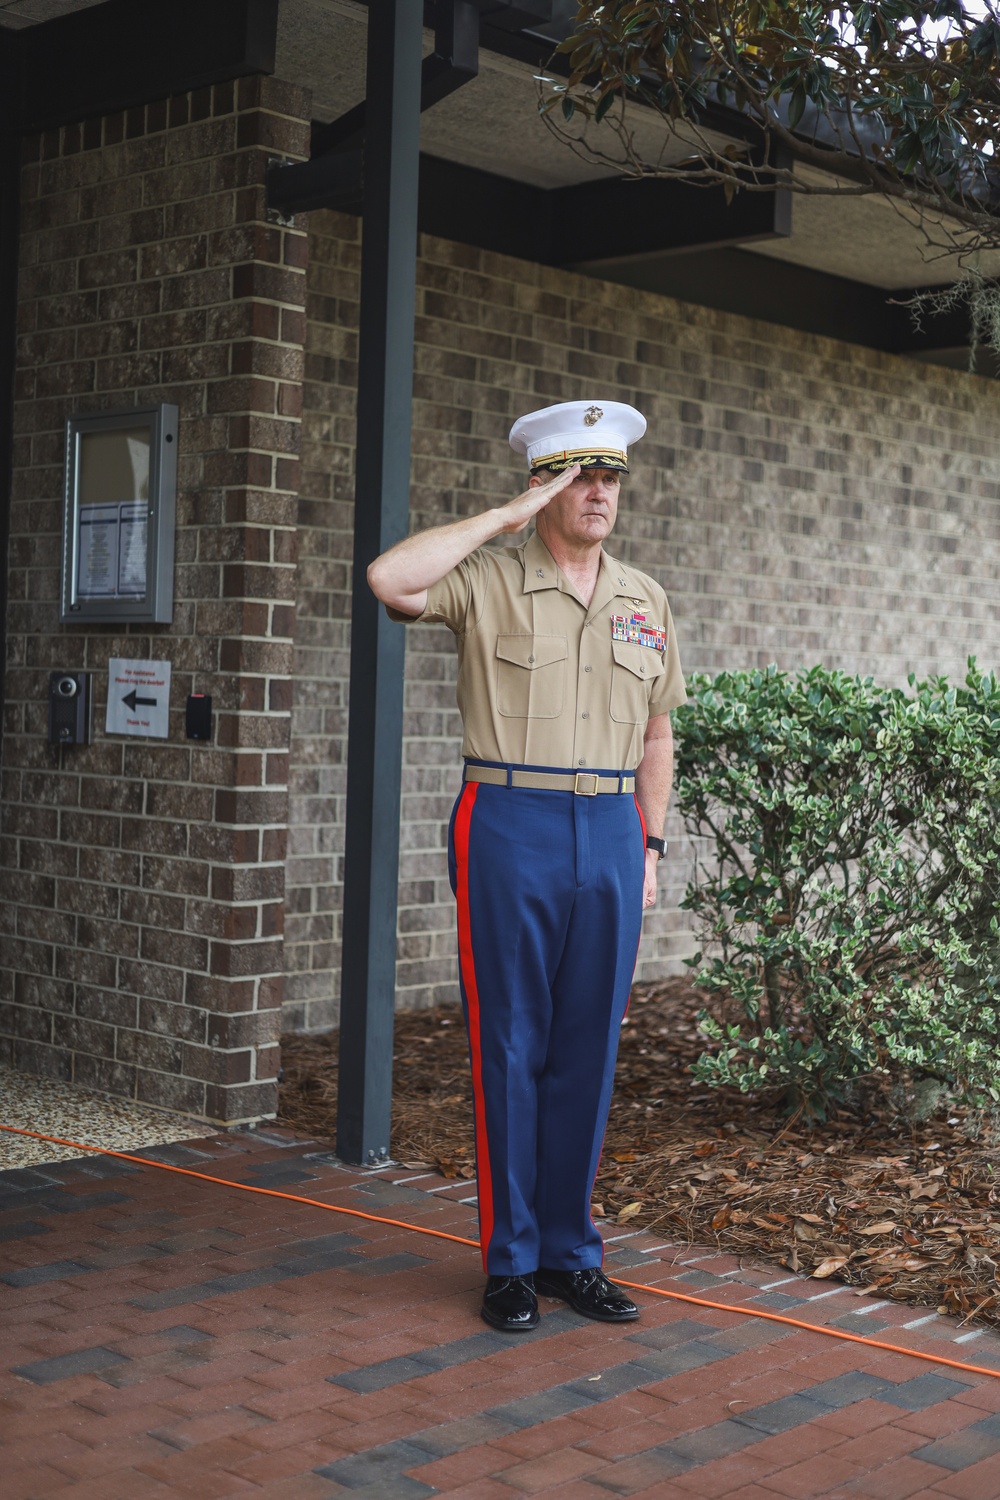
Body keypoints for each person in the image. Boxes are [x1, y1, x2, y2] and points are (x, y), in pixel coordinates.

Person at [367, 400, 686, 1332]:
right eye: (580, 476)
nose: (599, 492)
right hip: (508, 817)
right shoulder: (490, 578)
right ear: (545, 486)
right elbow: (390, 577)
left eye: (611, 476)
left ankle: (569, 1256)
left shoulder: (644, 598)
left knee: (589, 1049)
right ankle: (509, 1263)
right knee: (510, 1044)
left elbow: (659, 733)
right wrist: (504, 516)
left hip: (613, 829)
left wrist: (652, 845)